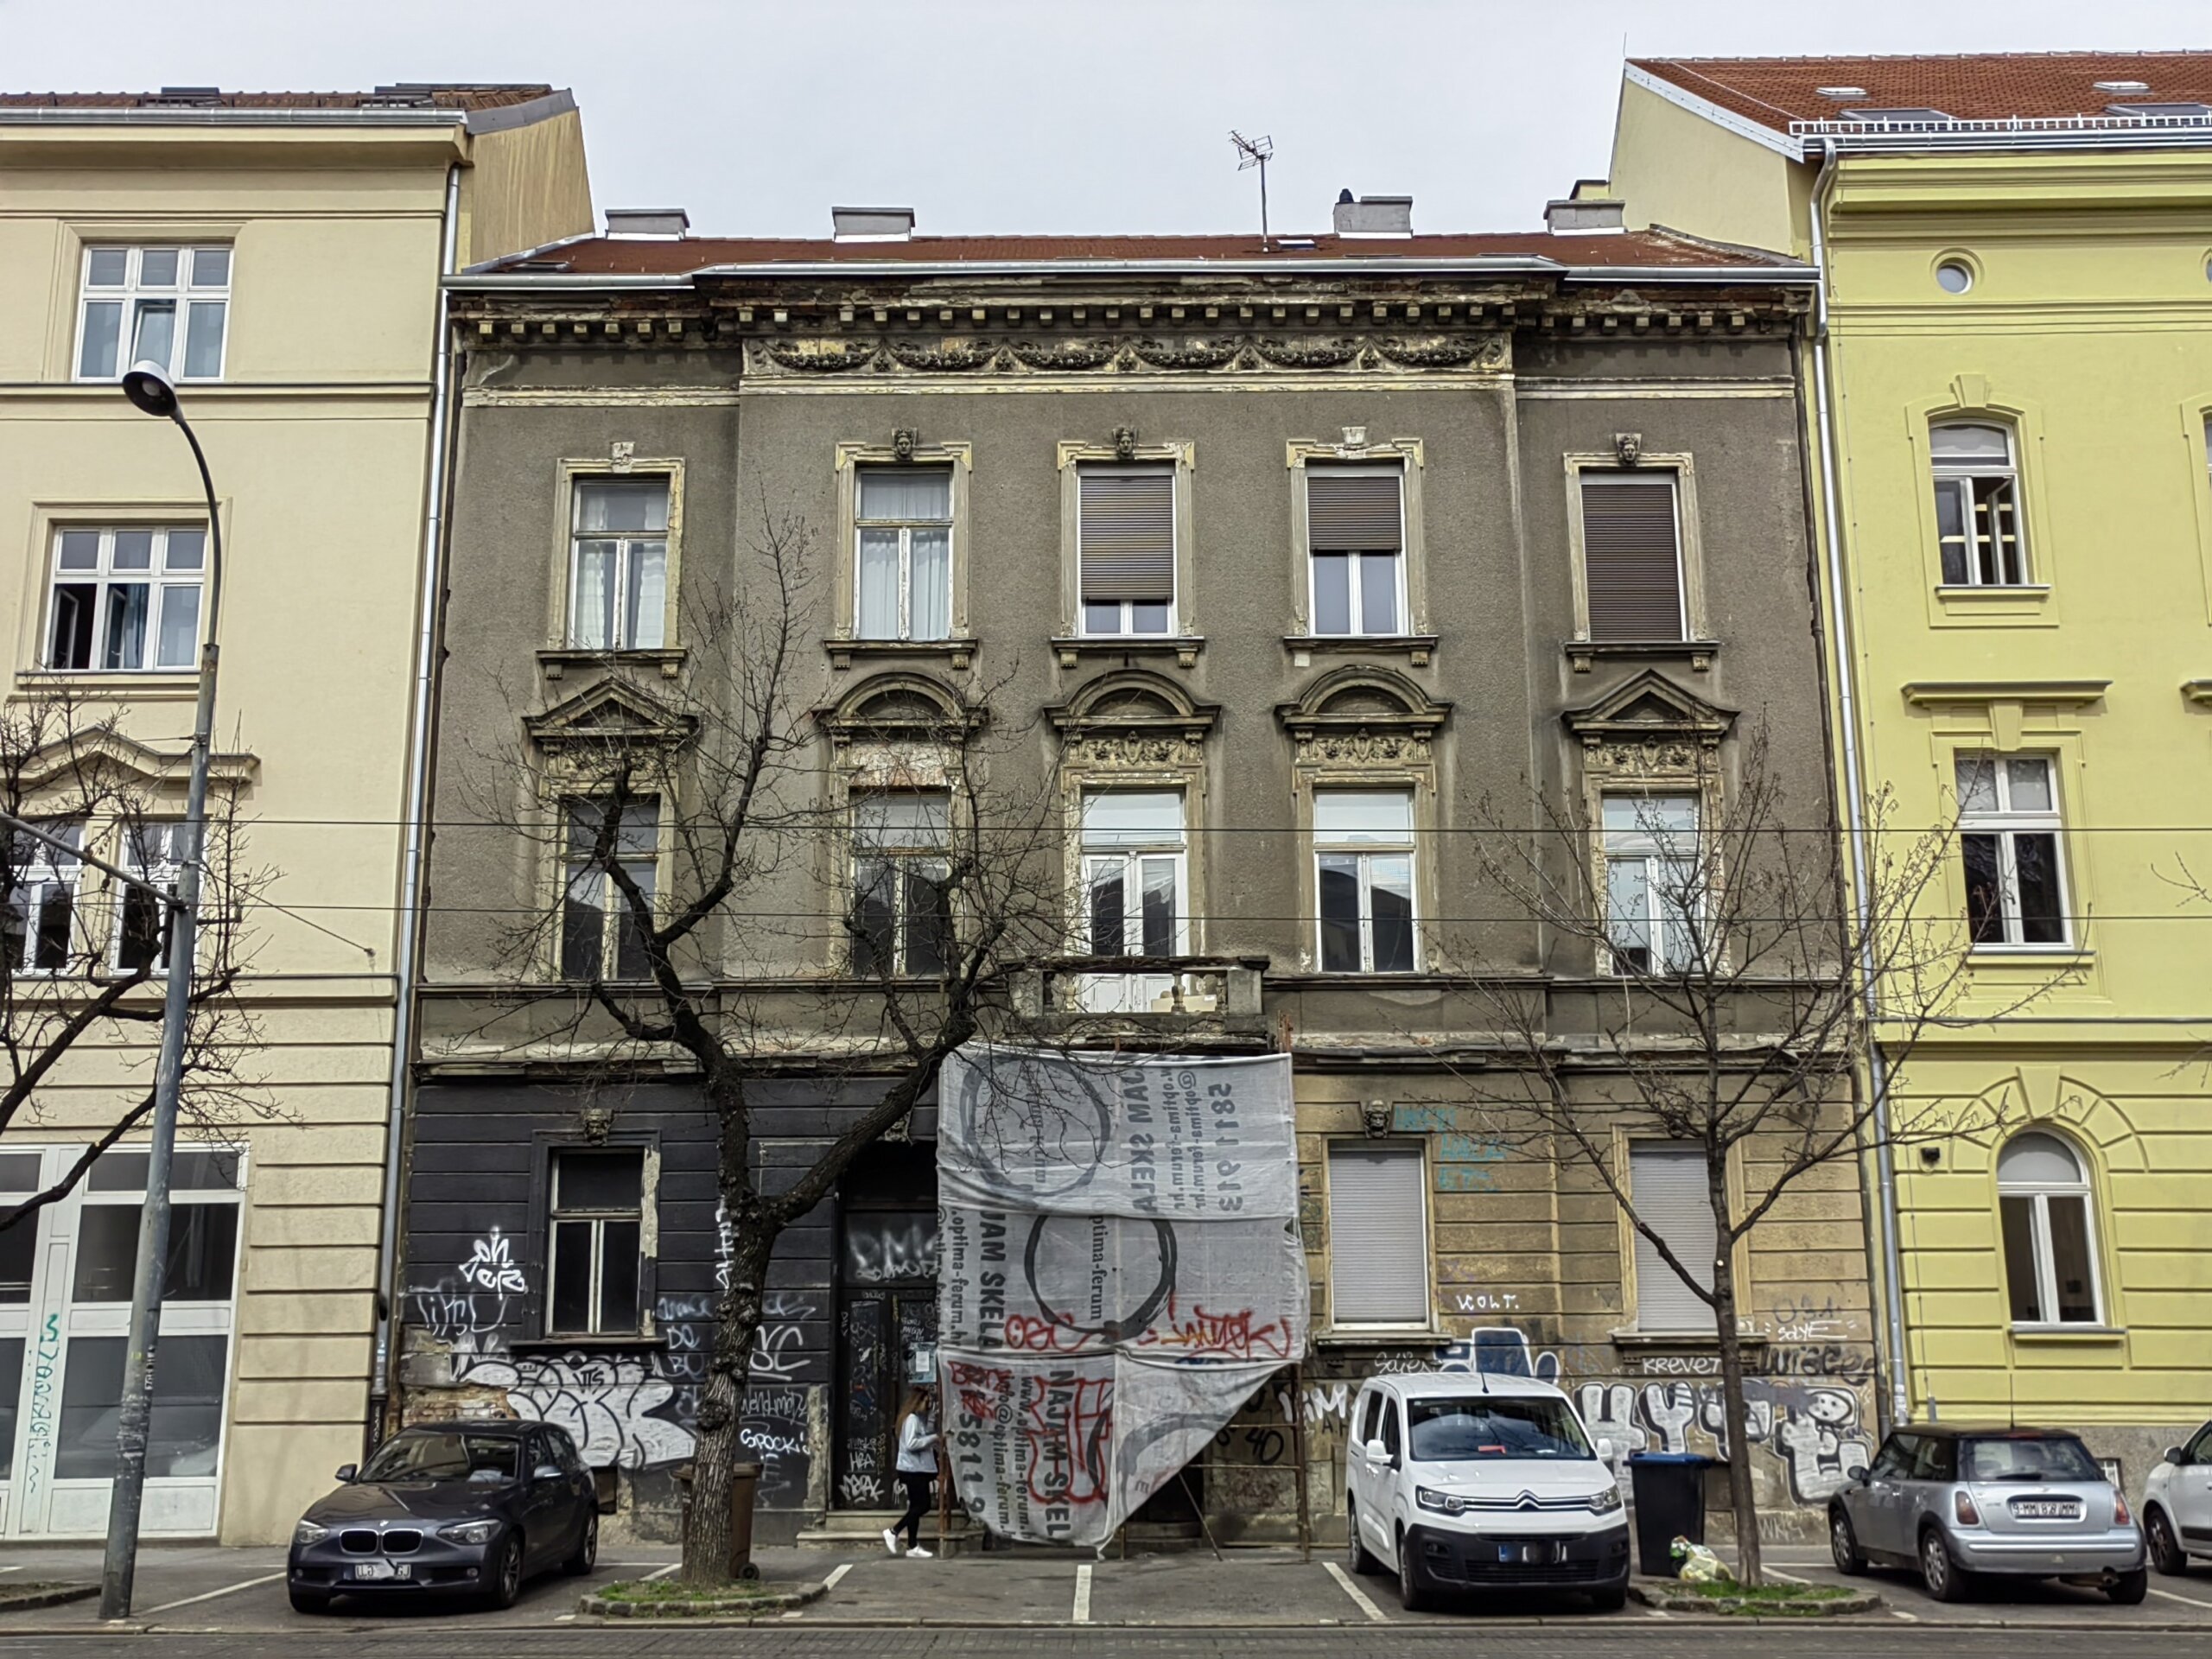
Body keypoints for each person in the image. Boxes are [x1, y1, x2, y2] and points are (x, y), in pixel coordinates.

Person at [883, 1384, 939, 1559]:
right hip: (913, 1469)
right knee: (923, 1505)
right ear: (918, 1402)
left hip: (915, 1469)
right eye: (926, 1402)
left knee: (916, 1507)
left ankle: (912, 1546)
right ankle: (894, 1531)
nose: (927, 1405)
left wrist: (932, 1418)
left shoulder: (915, 1419)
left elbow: (924, 1433)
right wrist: (935, 1438)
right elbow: (911, 1444)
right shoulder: (912, 1419)